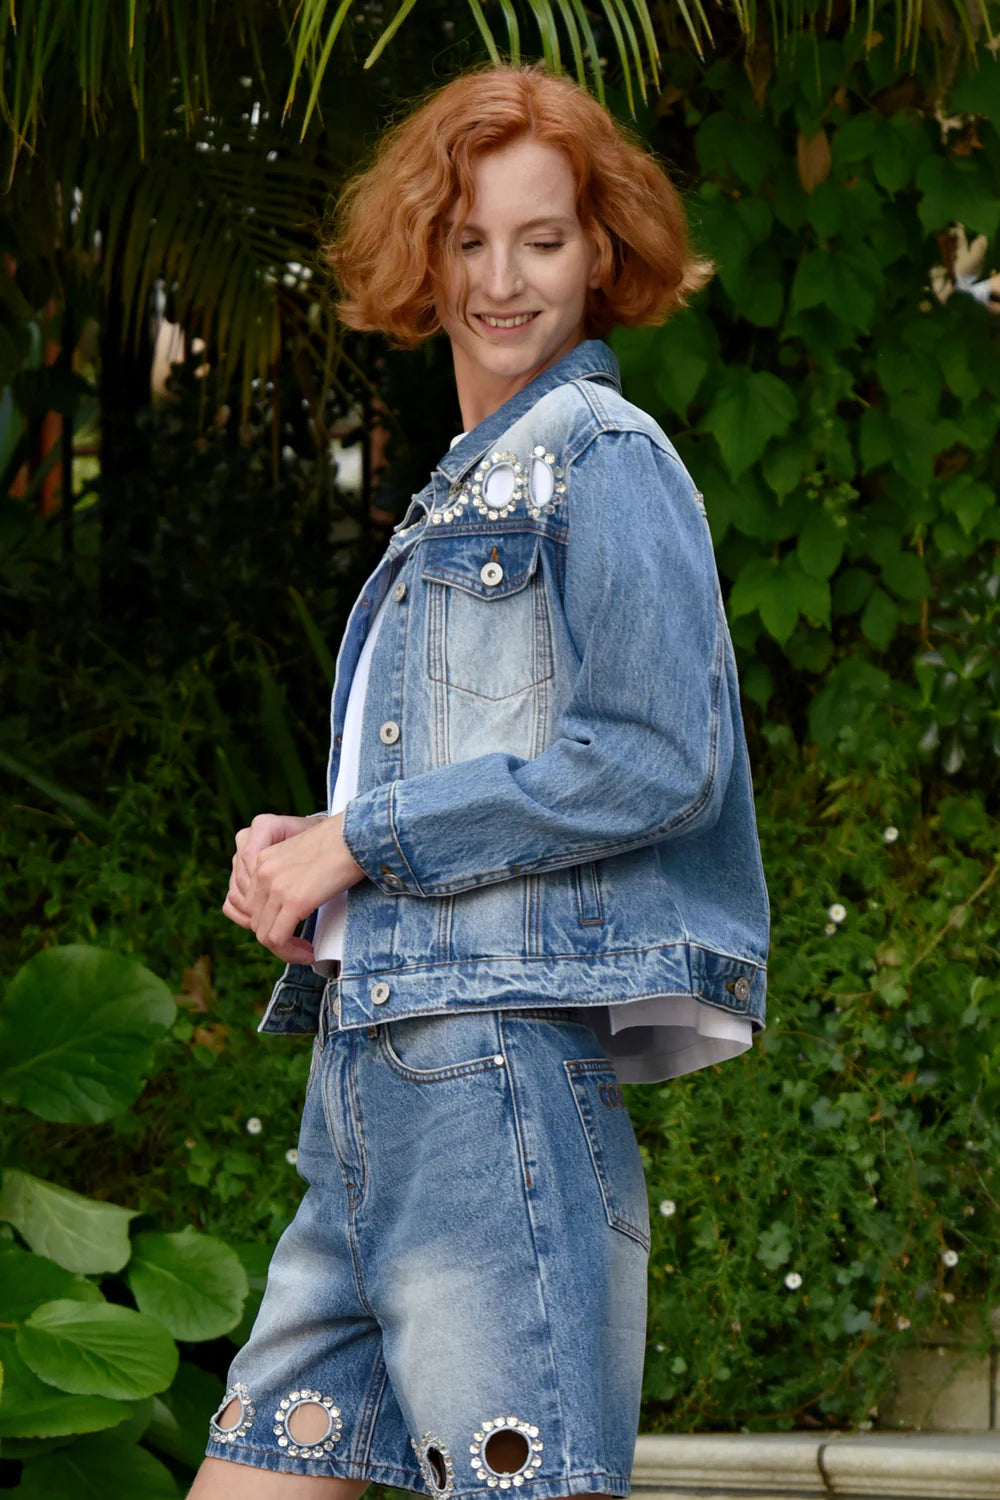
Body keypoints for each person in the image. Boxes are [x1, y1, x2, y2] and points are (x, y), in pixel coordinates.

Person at [190, 62, 769, 1500]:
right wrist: (320, 868)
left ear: (602, 250)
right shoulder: (464, 482)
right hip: (369, 1087)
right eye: (468, 240)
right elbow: (471, 778)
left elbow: (654, 757)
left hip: (488, 1087)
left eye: (543, 238)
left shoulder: (602, 455)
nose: (501, 281)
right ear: (425, 253)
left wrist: (365, 840)